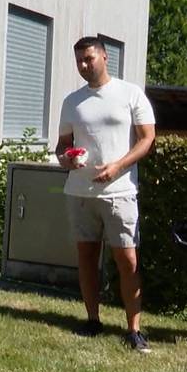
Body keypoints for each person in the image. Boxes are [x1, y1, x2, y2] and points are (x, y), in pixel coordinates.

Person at [55, 37, 156, 353]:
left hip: (120, 191)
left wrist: (117, 166)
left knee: (127, 260)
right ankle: (92, 319)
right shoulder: (72, 101)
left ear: (104, 56)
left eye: (89, 59)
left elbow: (147, 138)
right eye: (79, 61)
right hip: (80, 191)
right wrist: (66, 159)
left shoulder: (129, 93)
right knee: (86, 258)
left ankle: (134, 330)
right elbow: (61, 146)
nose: (84, 66)